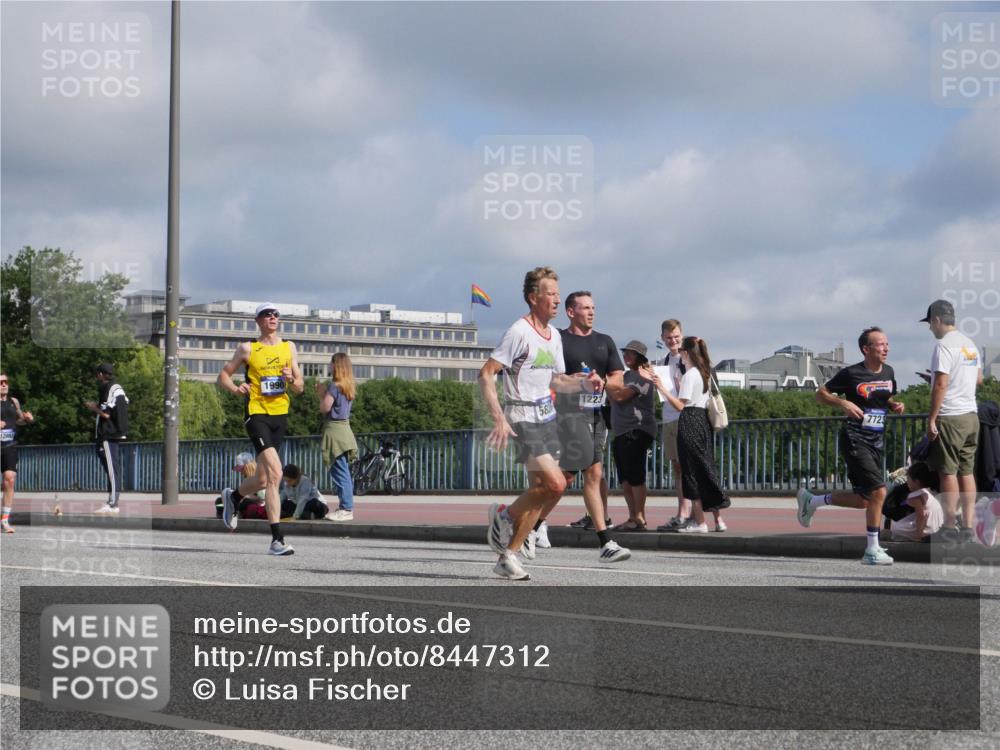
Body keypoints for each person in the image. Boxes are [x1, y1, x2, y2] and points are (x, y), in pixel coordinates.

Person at [479, 267, 603, 580]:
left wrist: (586, 385)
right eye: (551, 294)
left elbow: (558, 381)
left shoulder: (554, 337)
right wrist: (499, 418)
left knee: (543, 489)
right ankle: (505, 515)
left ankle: (508, 555)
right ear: (534, 298)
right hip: (522, 416)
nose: (557, 300)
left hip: (546, 416)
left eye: (559, 295)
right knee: (555, 483)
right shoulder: (519, 332)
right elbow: (486, 373)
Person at [535, 291, 630, 562]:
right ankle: (605, 541)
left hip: (596, 415)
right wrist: (572, 380)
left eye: (593, 307)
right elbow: (550, 379)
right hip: (567, 415)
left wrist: (601, 381)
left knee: (565, 479)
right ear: (570, 311)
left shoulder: (605, 341)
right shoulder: (558, 339)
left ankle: (533, 523)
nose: (591, 312)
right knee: (594, 470)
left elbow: (618, 383)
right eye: (585, 307)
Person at [797, 327, 905, 564]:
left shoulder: (888, 371)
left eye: (887, 344)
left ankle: (812, 501)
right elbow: (820, 394)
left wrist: (893, 405)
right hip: (855, 439)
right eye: (880, 344)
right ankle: (871, 550)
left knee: (866, 500)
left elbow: (882, 397)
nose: (886, 348)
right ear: (866, 349)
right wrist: (842, 404)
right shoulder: (851, 374)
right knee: (879, 491)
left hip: (876, 440)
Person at [217, 302, 304, 556]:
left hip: (280, 416)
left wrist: (291, 379)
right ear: (258, 321)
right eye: (267, 315)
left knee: (264, 478)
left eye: (276, 314)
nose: (272, 318)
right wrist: (235, 388)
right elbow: (223, 375)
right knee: (276, 473)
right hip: (256, 415)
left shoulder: (289, 347)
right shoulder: (248, 348)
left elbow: (300, 387)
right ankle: (277, 540)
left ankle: (233, 497)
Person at [656, 336, 732, 533]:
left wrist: (662, 388)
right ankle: (718, 520)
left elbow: (681, 405)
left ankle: (700, 523)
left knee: (691, 473)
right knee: (706, 469)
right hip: (703, 422)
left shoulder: (690, 374)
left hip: (689, 421)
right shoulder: (704, 372)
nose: (679, 355)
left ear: (686, 353)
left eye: (681, 352)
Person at [921, 299, 983, 541]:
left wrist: (932, 419)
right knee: (966, 472)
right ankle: (967, 526)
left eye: (930, 323)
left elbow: (941, 383)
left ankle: (948, 527)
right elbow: (977, 380)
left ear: (937, 320)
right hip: (971, 415)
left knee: (947, 472)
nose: (930, 329)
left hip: (950, 416)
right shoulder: (969, 345)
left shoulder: (943, 345)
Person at [610, 340, 657, 532]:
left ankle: (640, 517)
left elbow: (620, 396)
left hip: (637, 430)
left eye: (631, 353)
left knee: (635, 476)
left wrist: (605, 383)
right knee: (625, 478)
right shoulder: (625, 375)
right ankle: (632, 516)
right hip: (621, 431)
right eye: (625, 352)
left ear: (640, 358)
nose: (626, 356)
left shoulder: (643, 377)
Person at [318, 352, 358, 522]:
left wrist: (321, 393)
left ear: (337, 365)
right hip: (345, 429)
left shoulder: (334, 386)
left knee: (340, 471)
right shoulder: (348, 385)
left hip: (334, 430)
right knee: (344, 471)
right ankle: (345, 507)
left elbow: (325, 408)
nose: (329, 365)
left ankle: (346, 508)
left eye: (331, 363)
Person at [85, 364, 129, 515]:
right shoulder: (116, 388)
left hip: (108, 434)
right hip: (115, 433)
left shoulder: (107, 388)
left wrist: (93, 407)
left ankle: (113, 504)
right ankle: (111, 501)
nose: (97, 377)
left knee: (112, 470)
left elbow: (106, 414)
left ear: (101, 374)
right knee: (112, 469)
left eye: (97, 374)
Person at [0, 373, 35, 533]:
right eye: (1, 382)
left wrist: (27, 419)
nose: (4, 384)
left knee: (10, 480)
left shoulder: (14, 401)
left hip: (9, 446)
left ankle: (5, 520)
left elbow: (18, 420)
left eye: (6, 381)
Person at [889, 462, 944, 542]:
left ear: (916, 481)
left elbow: (921, 514)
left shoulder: (916, 495)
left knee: (895, 527)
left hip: (927, 529)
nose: (907, 483)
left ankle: (919, 535)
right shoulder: (929, 492)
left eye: (908, 479)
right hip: (936, 527)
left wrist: (920, 534)